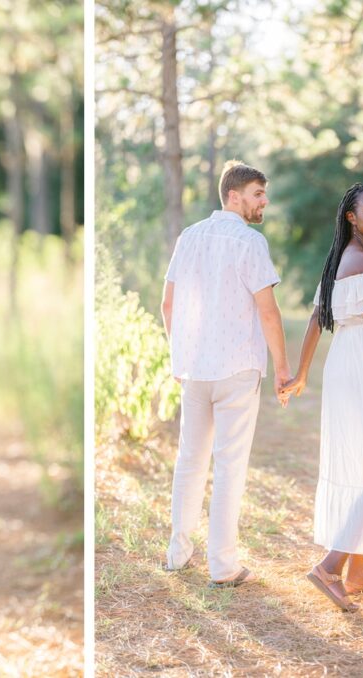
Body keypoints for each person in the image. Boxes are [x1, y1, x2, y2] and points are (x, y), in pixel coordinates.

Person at [280, 183, 363, 612]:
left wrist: (302, 372)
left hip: (348, 367)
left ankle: (357, 573)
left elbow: (317, 320)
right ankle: (330, 566)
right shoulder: (361, 261)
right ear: (351, 218)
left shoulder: (341, 258)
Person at [161, 160, 291, 588]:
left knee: (190, 460)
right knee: (229, 464)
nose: (263, 201)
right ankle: (223, 566)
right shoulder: (250, 242)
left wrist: (178, 356)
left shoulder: (189, 237)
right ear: (233, 196)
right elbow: (268, 312)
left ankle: (177, 554)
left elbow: (168, 305)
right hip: (236, 367)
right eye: (257, 194)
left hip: (194, 368)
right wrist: (282, 370)